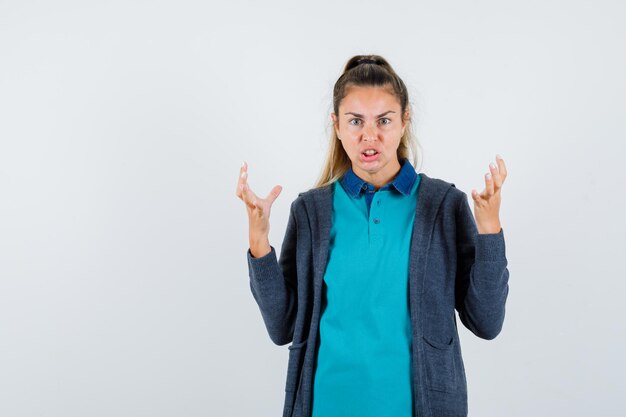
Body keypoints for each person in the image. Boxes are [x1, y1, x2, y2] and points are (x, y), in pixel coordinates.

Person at [236, 54, 509, 417]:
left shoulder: (442, 205)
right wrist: (259, 240)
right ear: (336, 125)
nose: (370, 136)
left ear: (404, 120)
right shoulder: (310, 212)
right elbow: (282, 326)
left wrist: (489, 229)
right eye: (355, 121)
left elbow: (487, 322)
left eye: (384, 120)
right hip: (326, 406)